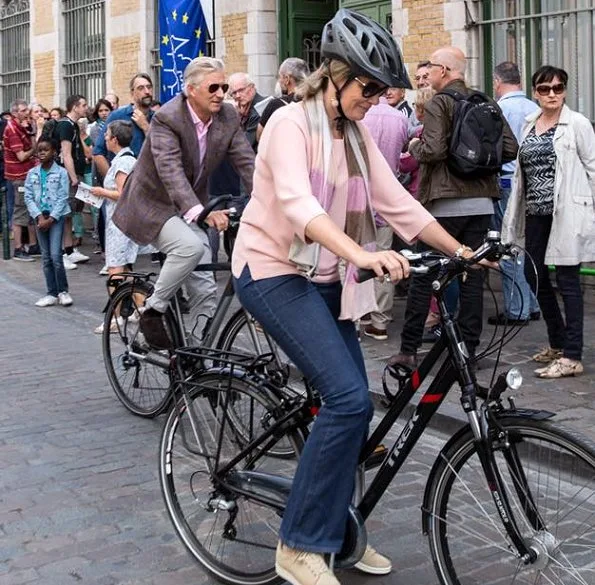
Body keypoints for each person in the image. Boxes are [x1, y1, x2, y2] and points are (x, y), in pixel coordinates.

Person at [231, 10, 482, 585]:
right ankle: (298, 545)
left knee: (353, 405)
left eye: (381, 90)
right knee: (347, 398)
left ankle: (337, 533)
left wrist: (463, 253)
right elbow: (298, 205)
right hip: (271, 270)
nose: (375, 98)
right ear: (335, 75)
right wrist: (362, 254)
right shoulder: (288, 125)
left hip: (324, 278)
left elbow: (400, 206)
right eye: (367, 87)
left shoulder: (358, 133)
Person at [388, 46, 518, 370]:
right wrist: (477, 165)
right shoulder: (486, 102)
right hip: (482, 203)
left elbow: (432, 150)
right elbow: (511, 148)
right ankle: (468, 351)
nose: (427, 74)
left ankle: (408, 349)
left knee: (425, 275)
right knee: (473, 275)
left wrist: (415, 145)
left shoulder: (439, 103)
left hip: (444, 206)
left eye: (430, 67)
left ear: (444, 71)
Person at [112, 57, 255, 349]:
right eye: (213, 87)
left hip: (188, 205)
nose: (221, 93)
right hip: (152, 204)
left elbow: (248, 163)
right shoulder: (167, 117)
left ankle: (198, 354)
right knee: (188, 247)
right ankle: (153, 310)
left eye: (224, 86)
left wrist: (271, 202)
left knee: (205, 286)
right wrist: (203, 214)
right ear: (191, 89)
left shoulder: (227, 116)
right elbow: (170, 171)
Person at [502, 65, 595, 379]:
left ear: (565, 90)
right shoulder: (530, 124)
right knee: (533, 274)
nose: (552, 94)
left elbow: (593, 169)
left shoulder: (577, 124)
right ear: (535, 92)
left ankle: (572, 355)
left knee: (569, 281)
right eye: (545, 89)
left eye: (558, 88)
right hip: (535, 214)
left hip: (567, 212)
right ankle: (557, 342)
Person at [488, 61, 540, 326]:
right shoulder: (536, 107)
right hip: (534, 182)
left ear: (498, 81)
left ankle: (517, 308)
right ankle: (531, 303)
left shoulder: (500, 109)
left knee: (508, 245)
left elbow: (497, 149)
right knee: (525, 245)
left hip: (508, 181)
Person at [360, 96, 408, 341]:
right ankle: (380, 320)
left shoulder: (359, 115)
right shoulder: (399, 117)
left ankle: (359, 314)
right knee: (384, 258)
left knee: (353, 260)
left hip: (357, 199)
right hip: (386, 199)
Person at [90, 121, 139, 333]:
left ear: (115, 140)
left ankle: (116, 317)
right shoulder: (124, 159)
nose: (105, 139)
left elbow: (123, 193)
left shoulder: (123, 163)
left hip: (119, 223)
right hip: (119, 221)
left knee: (115, 271)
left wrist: (101, 192)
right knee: (124, 270)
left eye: (108, 135)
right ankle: (143, 306)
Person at [23, 137, 72, 307]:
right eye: (39, 150)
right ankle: (51, 292)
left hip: (55, 218)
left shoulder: (61, 173)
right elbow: (28, 196)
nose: (42, 153)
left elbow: (63, 196)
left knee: (56, 255)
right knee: (45, 257)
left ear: (54, 152)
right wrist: (38, 216)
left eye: (46, 150)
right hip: (39, 218)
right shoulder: (32, 173)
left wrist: (51, 218)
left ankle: (63, 290)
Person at [93, 73, 154, 178]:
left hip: (150, 184)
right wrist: (113, 180)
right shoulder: (117, 116)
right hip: (123, 186)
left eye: (149, 87)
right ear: (132, 93)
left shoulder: (158, 118)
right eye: (141, 88)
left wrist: (146, 127)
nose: (147, 91)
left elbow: (162, 151)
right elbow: (98, 152)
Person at [57, 94, 90, 268]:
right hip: (68, 176)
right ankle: (61, 252)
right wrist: (73, 177)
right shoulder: (65, 125)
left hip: (78, 172)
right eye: (83, 105)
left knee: (70, 213)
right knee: (64, 214)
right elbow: (66, 153)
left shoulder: (74, 125)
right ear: (75, 107)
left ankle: (69, 250)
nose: (86, 108)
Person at [3, 99, 39, 261]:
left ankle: (33, 245)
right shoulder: (12, 130)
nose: (27, 113)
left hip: (27, 174)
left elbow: (31, 146)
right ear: (15, 113)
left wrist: (32, 132)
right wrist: (34, 149)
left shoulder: (22, 127)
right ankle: (18, 248)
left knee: (30, 210)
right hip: (18, 177)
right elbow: (22, 155)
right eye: (24, 111)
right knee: (19, 212)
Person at [256, 57, 310, 141]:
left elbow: (260, 136)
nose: (279, 81)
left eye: (280, 77)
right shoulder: (315, 101)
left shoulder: (275, 105)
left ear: (287, 79)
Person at [228, 72, 265, 151]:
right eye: (234, 93)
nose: (238, 95)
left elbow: (244, 146)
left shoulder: (259, 109)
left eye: (241, 90)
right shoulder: (243, 111)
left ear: (252, 87)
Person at [408, 60, 431, 136]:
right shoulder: (416, 105)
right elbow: (409, 131)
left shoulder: (441, 101)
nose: (420, 82)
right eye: (417, 78)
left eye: (425, 77)